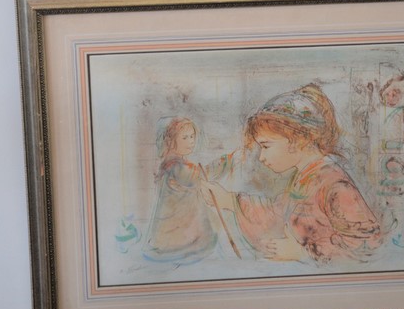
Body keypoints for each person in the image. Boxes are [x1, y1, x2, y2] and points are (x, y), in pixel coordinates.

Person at [200, 83, 384, 265]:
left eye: (266, 146)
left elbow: (369, 247)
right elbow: (276, 211)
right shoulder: (306, 177)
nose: (261, 157)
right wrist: (228, 200)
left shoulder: (335, 185)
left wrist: (303, 253)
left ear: (298, 140)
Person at [143, 116, 217, 263]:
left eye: (192, 136)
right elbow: (197, 176)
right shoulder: (175, 166)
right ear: (171, 141)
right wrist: (222, 164)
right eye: (185, 137)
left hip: (179, 219)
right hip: (175, 225)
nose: (191, 141)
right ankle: (184, 244)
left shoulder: (175, 162)